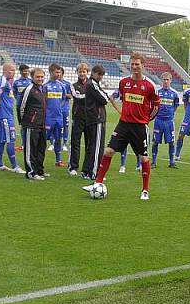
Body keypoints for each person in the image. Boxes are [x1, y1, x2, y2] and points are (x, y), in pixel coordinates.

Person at [83, 53, 160, 200]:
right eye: (132, 64)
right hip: (124, 124)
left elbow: (156, 106)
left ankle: (145, 190)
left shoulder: (150, 86)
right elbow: (116, 97)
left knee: (143, 158)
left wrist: (146, 120)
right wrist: (121, 111)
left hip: (139, 127)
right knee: (108, 151)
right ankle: (97, 183)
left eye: (137, 64)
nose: (134, 66)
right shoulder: (124, 82)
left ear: (143, 66)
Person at [0, 62, 25, 173]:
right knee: (11, 140)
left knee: (1, 141)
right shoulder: (2, 82)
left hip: (4, 115)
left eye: (14, 70)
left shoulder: (7, 82)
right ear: (4, 70)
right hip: (5, 116)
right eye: (11, 70)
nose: (13, 72)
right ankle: (15, 166)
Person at [18, 67, 48, 180]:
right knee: (31, 149)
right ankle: (31, 172)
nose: (40, 79)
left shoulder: (44, 89)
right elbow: (21, 106)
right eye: (37, 77)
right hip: (31, 124)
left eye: (41, 76)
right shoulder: (29, 89)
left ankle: (39, 170)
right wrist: (24, 122)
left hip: (42, 124)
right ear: (32, 77)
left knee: (41, 148)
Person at [83, 65, 112, 179]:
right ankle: (95, 173)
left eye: (102, 75)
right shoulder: (92, 84)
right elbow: (104, 99)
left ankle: (86, 171)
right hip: (97, 118)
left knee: (91, 146)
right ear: (93, 73)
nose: (100, 77)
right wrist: (105, 95)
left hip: (92, 118)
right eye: (99, 74)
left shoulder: (93, 84)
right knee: (97, 147)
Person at [153, 72, 181, 169]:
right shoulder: (157, 92)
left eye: (167, 79)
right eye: (164, 79)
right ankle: (153, 162)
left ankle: (172, 162)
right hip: (158, 120)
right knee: (155, 141)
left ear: (170, 80)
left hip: (169, 121)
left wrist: (170, 113)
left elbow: (176, 105)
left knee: (171, 142)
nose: (165, 81)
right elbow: (153, 104)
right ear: (162, 80)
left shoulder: (174, 93)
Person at [68, 63, 89, 176]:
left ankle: (86, 168)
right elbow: (76, 96)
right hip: (77, 118)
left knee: (89, 143)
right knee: (75, 142)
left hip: (90, 118)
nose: (82, 73)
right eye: (80, 71)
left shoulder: (91, 84)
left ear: (87, 72)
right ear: (77, 73)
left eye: (84, 71)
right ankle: (73, 167)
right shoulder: (73, 85)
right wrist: (89, 96)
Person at [44, 63, 67, 166]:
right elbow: (43, 102)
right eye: (56, 72)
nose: (58, 74)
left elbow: (63, 100)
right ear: (51, 72)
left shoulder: (61, 86)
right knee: (43, 139)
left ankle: (58, 160)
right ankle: (39, 159)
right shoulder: (45, 86)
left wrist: (58, 108)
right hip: (48, 118)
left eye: (59, 72)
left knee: (58, 139)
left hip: (59, 118)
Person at [13, 64, 32, 149]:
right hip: (20, 106)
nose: (26, 72)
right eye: (25, 71)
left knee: (30, 125)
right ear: (20, 72)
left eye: (27, 71)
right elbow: (14, 92)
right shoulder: (16, 82)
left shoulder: (31, 81)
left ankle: (29, 143)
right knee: (22, 125)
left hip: (30, 106)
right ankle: (23, 143)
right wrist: (19, 100)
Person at [59, 66, 72, 153]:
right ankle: (53, 143)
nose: (58, 74)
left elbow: (71, 95)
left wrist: (63, 94)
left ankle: (64, 144)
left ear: (62, 74)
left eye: (60, 73)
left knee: (65, 126)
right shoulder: (52, 84)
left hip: (65, 108)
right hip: (55, 109)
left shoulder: (67, 84)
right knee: (56, 126)